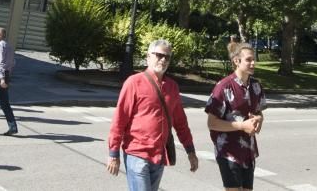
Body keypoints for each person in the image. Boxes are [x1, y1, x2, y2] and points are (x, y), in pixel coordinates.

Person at [107, 39, 199, 190]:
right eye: (159, 55)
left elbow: (181, 123)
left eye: (167, 57)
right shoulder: (133, 83)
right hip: (137, 154)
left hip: (159, 156)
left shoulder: (172, 87)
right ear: (148, 57)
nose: (163, 60)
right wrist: (113, 153)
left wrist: (190, 151)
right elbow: (119, 120)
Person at [205, 42, 267, 191]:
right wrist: (242, 125)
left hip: (248, 151)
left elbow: (259, 112)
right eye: (249, 60)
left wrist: (259, 119)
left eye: (254, 59)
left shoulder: (256, 85)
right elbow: (211, 123)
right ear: (236, 61)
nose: (253, 63)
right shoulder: (224, 86)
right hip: (228, 152)